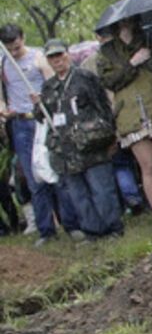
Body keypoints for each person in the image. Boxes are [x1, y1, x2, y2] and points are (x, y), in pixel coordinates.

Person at [96, 17, 152, 227]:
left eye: (129, 20)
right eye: (122, 21)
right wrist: (132, 63)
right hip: (130, 114)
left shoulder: (149, 40)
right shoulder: (106, 52)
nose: (126, 24)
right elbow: (110, 81)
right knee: (148, 166)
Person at [40, 39, 123, 240]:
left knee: (102, 189)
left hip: (91, 144)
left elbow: (103, 107)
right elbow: (43, 116)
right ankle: (92, 230)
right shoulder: (48, 87)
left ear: (67, 54)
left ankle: (113, 227)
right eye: (52, 57)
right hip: (65, 150)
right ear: (48, 60)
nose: (57, 60)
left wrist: (110, 134)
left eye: (60, 55)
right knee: (78, 193)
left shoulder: (85, 78)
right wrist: (37, 104)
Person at [0, 24, 56, 244]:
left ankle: (71, 222)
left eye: (17, 47)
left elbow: (53, 86)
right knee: (33, 178)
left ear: (22, 38)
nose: (14, 52)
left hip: (42, 120)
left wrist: (43, 99)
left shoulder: (38, 57)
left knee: (55, 170)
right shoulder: (3, 62)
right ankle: (46, 230)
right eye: (9, 49)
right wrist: (3, 107)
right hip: (20, 123)